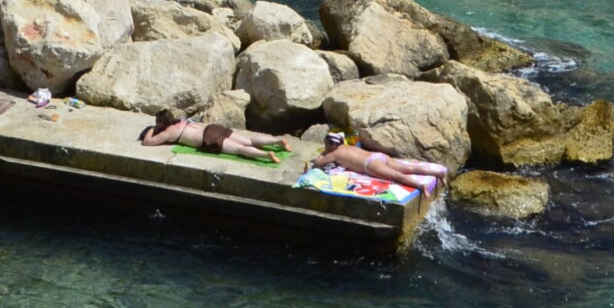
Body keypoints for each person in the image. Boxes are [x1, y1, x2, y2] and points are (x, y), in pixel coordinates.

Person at [319, 131, 447, 192]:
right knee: (409, 169)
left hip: (370, 164)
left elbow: (317, 164)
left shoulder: (334, 153)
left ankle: (421, 186)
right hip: (379, 156)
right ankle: (437, 173)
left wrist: (323, 154)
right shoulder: (348, 146)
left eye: (326, 146)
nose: (325, 148)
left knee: (397, 176)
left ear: (331, 145)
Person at [139, 111, 290, 159]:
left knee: (239, 150)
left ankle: (266, 155)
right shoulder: (182, 121)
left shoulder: (168, 133)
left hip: (207, 139)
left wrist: (153, 128)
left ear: (161, 122)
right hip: (212, 129)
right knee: (249, 140)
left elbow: (147, 143)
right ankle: (277, 141)